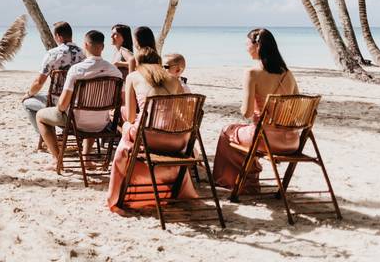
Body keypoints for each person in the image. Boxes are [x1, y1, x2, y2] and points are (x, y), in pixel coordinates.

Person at [106, 45, 197, 212]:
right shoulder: (174, 79)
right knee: (131, 129)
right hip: (177, 140)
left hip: (150, 137)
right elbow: (178, 114)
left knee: (126, 127)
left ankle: (117, 195)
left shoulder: (133, 77)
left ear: (139, 63)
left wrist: (125, 124)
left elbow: (132, 116)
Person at [212, 28, 300, 190]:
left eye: (247, 44)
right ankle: (249, 178)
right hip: (292, 141)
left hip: (266, 140)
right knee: (242, 134)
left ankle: (238, 181)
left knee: (227, 132)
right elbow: (296, 109)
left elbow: (247, 112)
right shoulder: (288, 74)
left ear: (257, 46)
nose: (246, 48)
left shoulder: (252, 73)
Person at [36, 30, 122, 166]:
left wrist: (59, 108)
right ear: (103, 47)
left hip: (77, 123)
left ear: (86, 45)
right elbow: (118, 102)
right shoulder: (115, 72)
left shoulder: (77, 70)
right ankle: (86, 159)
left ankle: (57, 159)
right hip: (101, 124)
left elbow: (63, 106)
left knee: (40, 116)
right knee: (92, 112)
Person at [21, 22, 84, 136]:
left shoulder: (53, 54)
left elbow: (39, 82)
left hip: (59, 103)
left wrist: (28, 93)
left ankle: (46, 137)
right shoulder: (83, 54)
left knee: (27, 103)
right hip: (79, 102)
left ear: (59, 36)